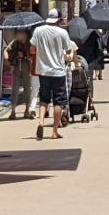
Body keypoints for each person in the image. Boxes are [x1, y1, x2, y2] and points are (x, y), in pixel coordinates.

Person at [30, 11, 75, 140]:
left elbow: (32, 50)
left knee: (44, 99)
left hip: (43, 70)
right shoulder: (62, 32)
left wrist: (43, 51)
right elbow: (68, 50)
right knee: (58, 101)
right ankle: (54, 131)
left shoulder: (38, 31)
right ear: (59, 19)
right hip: (58, 71)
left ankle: (41, 122)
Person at [4, 32, 35, 121]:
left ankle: (27, 110)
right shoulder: (14, 42)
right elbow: (6, 50)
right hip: (16, 67)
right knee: (15, 89)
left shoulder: (30, 43)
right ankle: (13, 111)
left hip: (27, 68)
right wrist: (9, 62)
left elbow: (33, 55)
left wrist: (25, 56)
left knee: (27, 89)